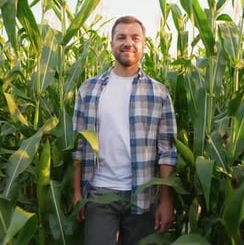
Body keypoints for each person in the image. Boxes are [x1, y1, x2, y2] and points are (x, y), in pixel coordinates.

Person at [71, 15, 178, 245]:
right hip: (99, 192)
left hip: (143, 194)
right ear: (111, 45)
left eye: (134, 37)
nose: (127, 42)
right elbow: (78, 146)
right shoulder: (89, 89)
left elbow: (167, 151)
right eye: (121, 37)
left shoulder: (159, 93)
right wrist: (77, 192)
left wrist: (166, 201)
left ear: (143, 45)